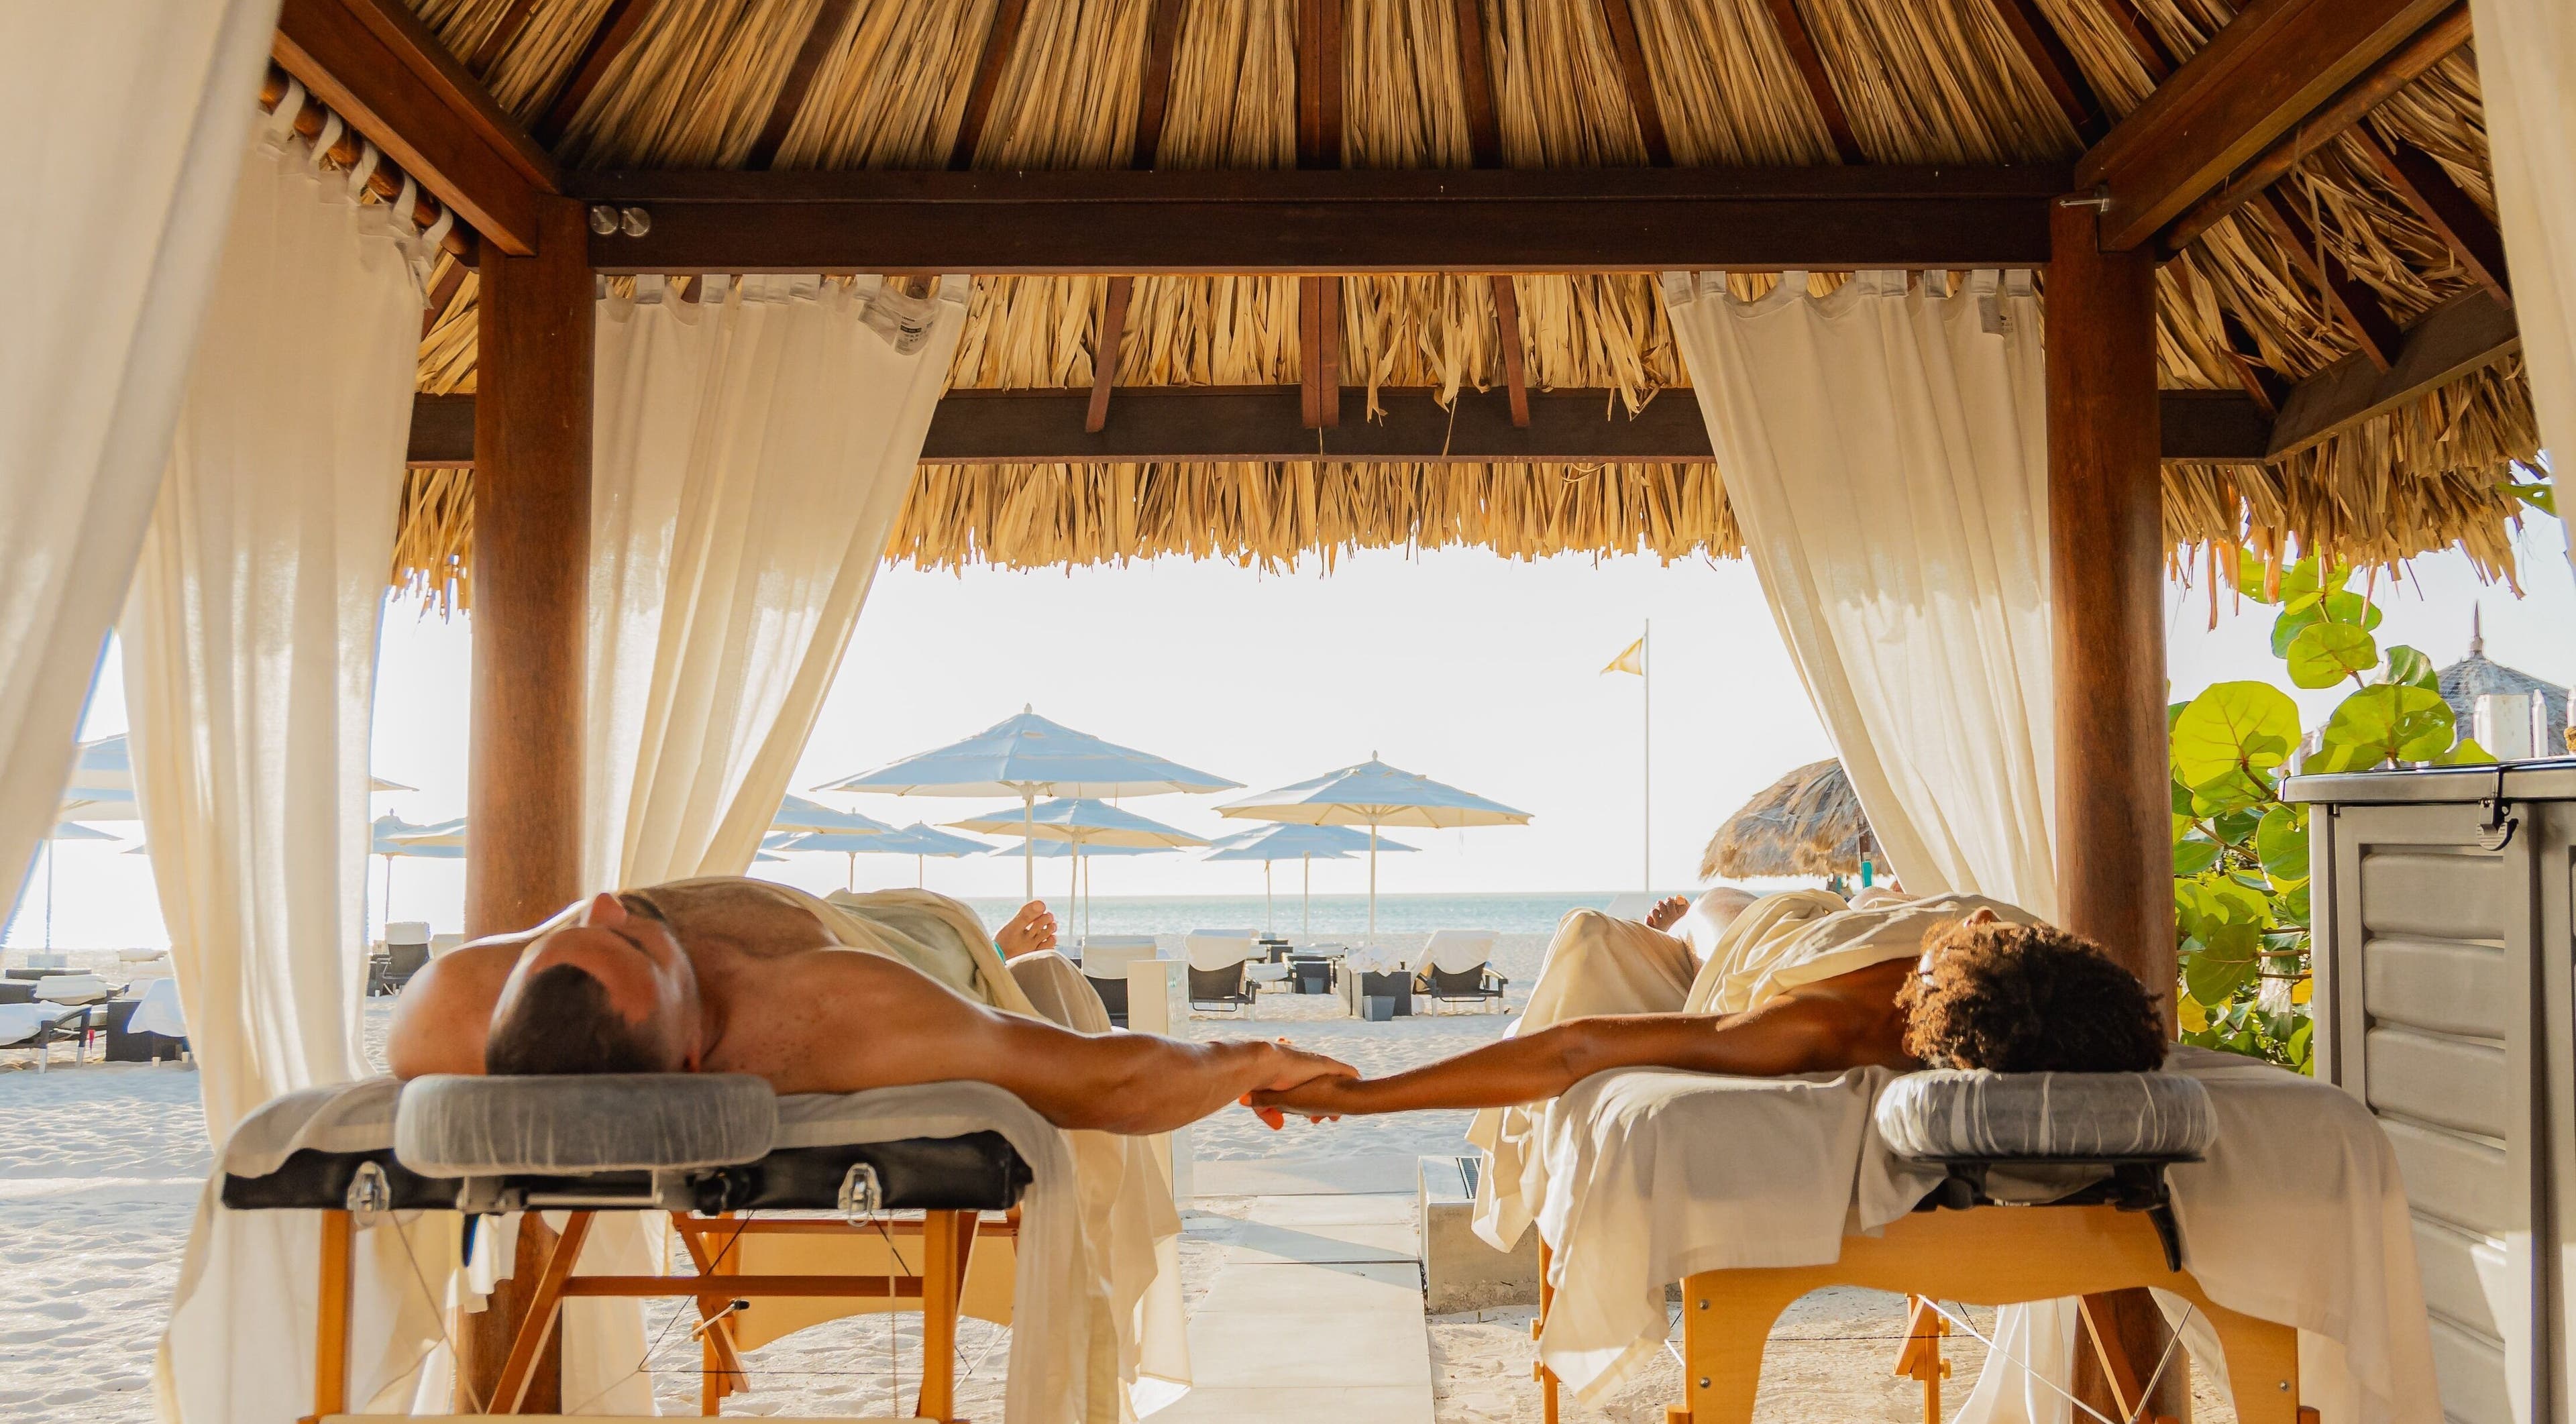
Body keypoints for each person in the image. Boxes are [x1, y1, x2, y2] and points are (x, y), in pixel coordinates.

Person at [389, 878, 1354, 1136]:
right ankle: (1002, 945)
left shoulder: (453, 1007)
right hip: (896, 936)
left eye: (581, 928)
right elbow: (1104, 1085)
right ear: (690, 1064)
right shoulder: (833, 1008)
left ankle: (1005, 942)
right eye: (644, 939)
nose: (607, 903)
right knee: (951, 933)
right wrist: (1257, 1059)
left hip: (835, 920)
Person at [1248, 894, 2165, 1123]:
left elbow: (1577, 1051)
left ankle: (1673, 917)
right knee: (1699, 903)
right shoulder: (2036, 967)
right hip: (1836, 920)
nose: (1974, 922)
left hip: (1762, 941)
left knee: (1694, 913)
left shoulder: (1819, 1025)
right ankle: (1676, 912)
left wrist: (1361, 1096)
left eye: (1961, 938)